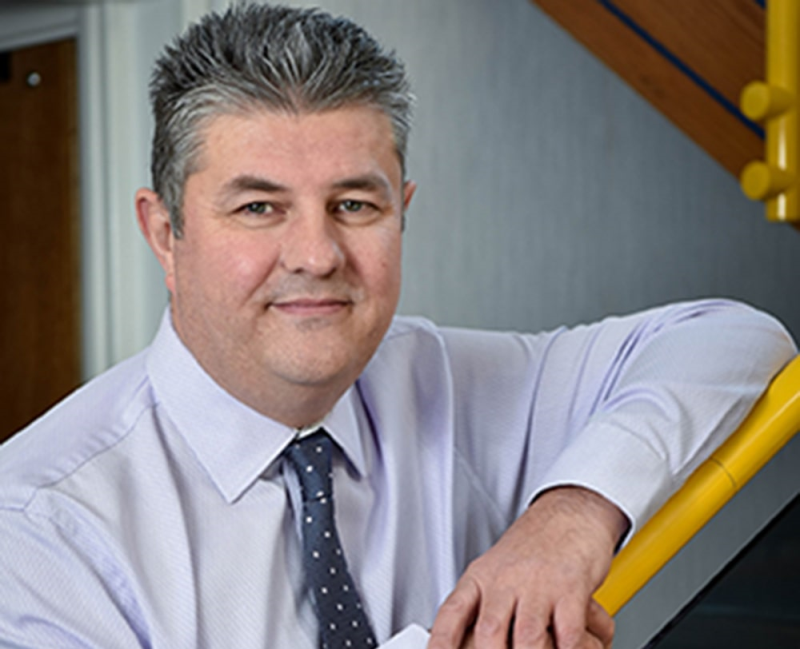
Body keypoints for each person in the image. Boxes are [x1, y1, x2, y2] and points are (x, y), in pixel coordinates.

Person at [0, 4, 794, 649]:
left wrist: (570, 516)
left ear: (402, 212)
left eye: (354, 204)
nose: (316, 255)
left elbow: (734, 339)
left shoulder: (441, 378)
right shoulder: (35, 528)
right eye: (258, 207)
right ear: (164, 232)